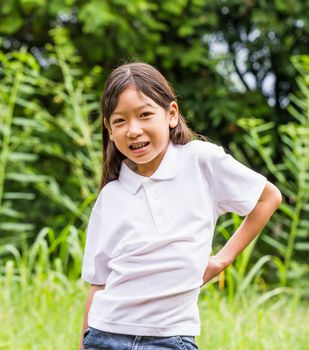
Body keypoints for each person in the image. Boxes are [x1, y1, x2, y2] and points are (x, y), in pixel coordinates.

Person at [79, 62, 282, 350]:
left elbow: (268, 197)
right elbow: (98, 284)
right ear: (109, 130)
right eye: (120, 121)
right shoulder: (111, 195)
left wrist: (221, 261)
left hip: (171, 338)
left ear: (171, 114)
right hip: (105, 335)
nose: (133, 130)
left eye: (145, 115)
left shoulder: (200, 161)